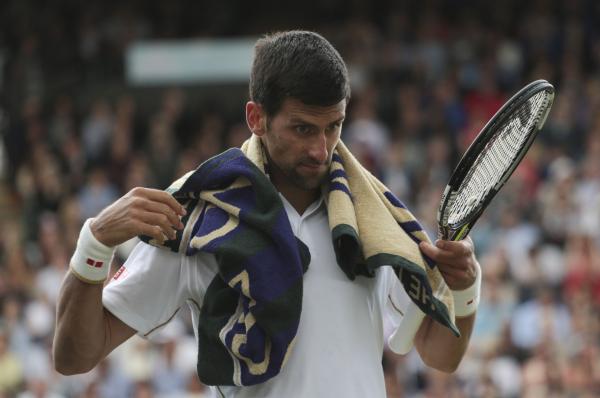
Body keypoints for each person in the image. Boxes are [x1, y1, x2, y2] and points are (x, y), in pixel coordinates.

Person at [53, 30, 481, 397]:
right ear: (256, 117)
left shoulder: (374, 215)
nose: (321, 149)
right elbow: (74, 357)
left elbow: (438, 353)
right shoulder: (196, 214)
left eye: (334, 126)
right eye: (302, 128)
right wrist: (95, 244)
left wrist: (465, 290)